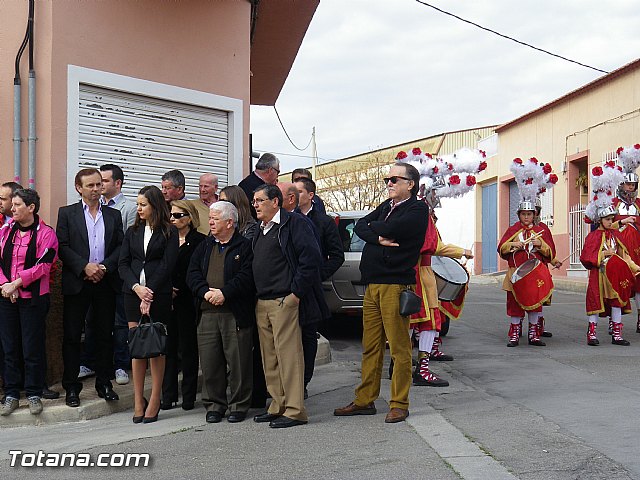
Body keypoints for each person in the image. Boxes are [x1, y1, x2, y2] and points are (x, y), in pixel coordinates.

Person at [334, 162, 428, 424]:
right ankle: (365, 400)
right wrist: (377, 238)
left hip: (395, 285)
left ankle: (399, 403)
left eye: (395, 179)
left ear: (410, 184)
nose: (389, 184)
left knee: (398, 348)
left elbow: (389, 229)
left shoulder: (417, 209)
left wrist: (377, 231)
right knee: (371, 346)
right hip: (373, 284)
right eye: (387, 180)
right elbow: (361, 226)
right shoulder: (387, 207)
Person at [251, 184, 327, 429]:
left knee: (289, 357)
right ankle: (278, 405)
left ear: (276, 202)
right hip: (262, 301)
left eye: (260, 201)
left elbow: (311, 259)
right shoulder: (259, 230)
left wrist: (295, 294)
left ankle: (295, 410)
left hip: (284, 300)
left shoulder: (295, 224)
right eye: (254, 201)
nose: (256, 205)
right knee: (270, 358)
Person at [56, 169, 124, 408]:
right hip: (78, 282)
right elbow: (62, 246)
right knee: (73, 336)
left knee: (105, 334)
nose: (96, 189)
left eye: (99, 185)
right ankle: (71, 387)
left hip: (104, 282)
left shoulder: (114, 215)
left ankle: (104, 383)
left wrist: (103, 267)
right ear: (79, 188)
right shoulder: (67, 213)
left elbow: (119, 247)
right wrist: (84, 267)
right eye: (90, 186)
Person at [187, 201, 255, 423]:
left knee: (238, 362)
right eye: (211, 218)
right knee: (210, 363)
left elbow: (247, 277)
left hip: (233, 313)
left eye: (215, 219)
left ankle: (239, 405)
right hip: (206, 313)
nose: (211, 222)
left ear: (230, 222)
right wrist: (205, 292)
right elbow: (193, 273)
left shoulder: (244, 246)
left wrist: (225, 293)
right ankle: (215, 405)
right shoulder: (205, 246)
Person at [118, 185, 179, 423]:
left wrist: (149, 293)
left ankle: (155, 399)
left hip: (158, 293)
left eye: (143, 204)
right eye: (138, 204)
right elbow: (123, 264)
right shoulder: (132, 231)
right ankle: (137, 399)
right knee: (137, 347)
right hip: (132, 293)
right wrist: (137, 289)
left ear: (155, 205)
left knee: (156, 346)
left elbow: (168, 264)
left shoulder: (169, 231)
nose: (139, 208)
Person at [0, 189, 58, 416]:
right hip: (7, 297)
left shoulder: (46, 233)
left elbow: (43, 266)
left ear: (31, 207)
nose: (11, 209)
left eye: (16, 205)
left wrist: (16, 284)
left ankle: (34, 392)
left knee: (32, 346)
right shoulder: (5, 232)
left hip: (33, 298)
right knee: (9, 346)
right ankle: (12, 393)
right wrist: (7, 286)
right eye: (11, 204)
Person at [410, 209, 472, 387]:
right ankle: (421, 370)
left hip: (409, 273)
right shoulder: (419, 218)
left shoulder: (398, 214)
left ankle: (398, 365)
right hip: (420, 275)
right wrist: (462, 251)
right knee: (430, 322)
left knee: (410, 321)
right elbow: (435, 247)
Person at [295, 177, 344, 395]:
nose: (294, 196)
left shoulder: (323, 222)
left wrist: (318, 274)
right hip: (291, 284)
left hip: (312, 288)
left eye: (299, 192)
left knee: (308, 335)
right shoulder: (289, 218)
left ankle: (303, 382)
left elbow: (336, 256)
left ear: (310, 196)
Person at [218, 185, 264, 407]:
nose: (221, 205)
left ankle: (255, 395)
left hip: (246, 297)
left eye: (225, 201)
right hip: (224, 301)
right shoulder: (217, 232)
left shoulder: (250, 230)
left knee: (250, 350)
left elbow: (249, 267)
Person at [161, 200, 206, 411]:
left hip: (188, 299)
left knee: (188, 348)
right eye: (171, 215)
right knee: (168, 349)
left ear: (189, 218)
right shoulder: (165, 238)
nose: (173, 219)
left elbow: (199, 271)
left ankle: (188, 396)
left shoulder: (200, 241)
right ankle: (168, 396)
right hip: (167, 299)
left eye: (178, 215)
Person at [97, 163, 137, 386]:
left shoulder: (129, 208)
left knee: (121, 321)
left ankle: (121, 364)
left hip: (118, 273)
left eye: (104, 181)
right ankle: (92, 362)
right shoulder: (94, 206)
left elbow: (127, 244)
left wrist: (108, 266)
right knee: (96, 320)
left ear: (117, 183)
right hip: (96, 274)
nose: (100, 185)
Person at [498, 201, 555, 347]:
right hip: (515, 273)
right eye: (523, 214)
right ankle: (514, 334)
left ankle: (533, 334)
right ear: (519, 215)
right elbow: (502, 248)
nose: (526, 217)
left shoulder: (539, 231)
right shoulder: (513, 230)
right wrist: (512, 245)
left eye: (529, 214)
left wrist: (540, 245)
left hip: (533, 274)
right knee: (514, 304)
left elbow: (550, 252)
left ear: (534, 215)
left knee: (534, 303)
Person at [238, 153, 280, 218]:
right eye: (278, 172)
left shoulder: (244, 183)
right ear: (270, 170)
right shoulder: (262, 189)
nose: (277, 176)